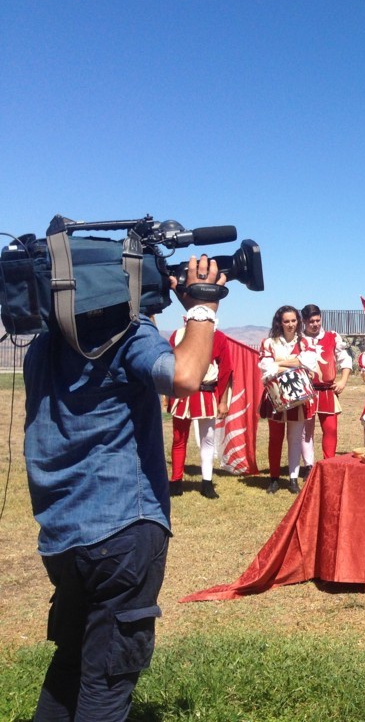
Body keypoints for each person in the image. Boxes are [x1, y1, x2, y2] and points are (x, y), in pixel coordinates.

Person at [24, 254, 224, 721]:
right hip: (121, 533)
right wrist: (201, 306)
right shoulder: (127, 338)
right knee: (108, 680)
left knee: (71, 661)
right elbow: (184, 375)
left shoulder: (44, 344)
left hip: (61, 534)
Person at [166, 323, 233, 499]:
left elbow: (226, 370)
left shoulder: (218, 337)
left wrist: (223, 401)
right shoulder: (178, 334)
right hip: (182, 393)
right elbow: (170, 365)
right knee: (179, 439)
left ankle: (207, 483)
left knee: (208, 440)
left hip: (206, 393)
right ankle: (176, 482)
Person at [259, 305, 317, 494]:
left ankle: (293, 479)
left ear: (298, 322)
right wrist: (295, 362)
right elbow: (266, 368)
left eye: (293, 321)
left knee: (295, 439)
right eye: (286, 321)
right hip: (275, 397)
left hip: (299, 398)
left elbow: (308, 363)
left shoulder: (306, 342)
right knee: (275, 438)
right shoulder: (268, 343)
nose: (291, 324)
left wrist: (278, 363)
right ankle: (274, 478)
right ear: (280, 323)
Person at [301, 304, 353, 461]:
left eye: (318, 320)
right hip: (306, 392)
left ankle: (328, 463)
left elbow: (345, 359)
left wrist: (343, 381)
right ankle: (308, 467)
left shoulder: (332, 337)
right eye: (311, 321)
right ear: (304, 321)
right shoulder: (298, 340)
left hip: (327, 391)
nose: (316, 324)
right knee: (306, 432)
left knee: (331, 429)